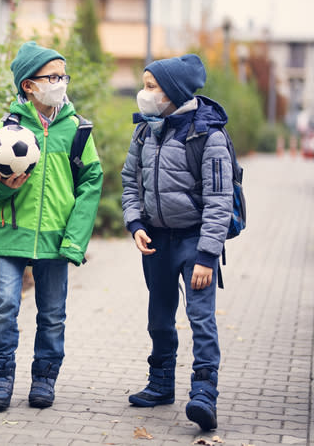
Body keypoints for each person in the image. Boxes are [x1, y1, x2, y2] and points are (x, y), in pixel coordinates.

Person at [0, 41, 103, 412]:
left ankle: (45, 377)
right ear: (29, 85)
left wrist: (75, 240)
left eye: (64, 75)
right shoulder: (6, 128)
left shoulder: (77, 130)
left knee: (52, 313)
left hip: (56, 240)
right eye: (53, 76)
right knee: (4, 305)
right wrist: (0, 186)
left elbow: (91, 183)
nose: (61, 82)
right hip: (10, 233)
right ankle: (1, 376)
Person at [120, 54, 231, 431]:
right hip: (156, 239)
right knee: (159, 315)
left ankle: (204, 393)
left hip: (195, 241)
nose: (144, 93)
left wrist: (206, 255)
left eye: (152, 86)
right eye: (145, 84)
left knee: (200, 317)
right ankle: (161, 383)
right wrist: (134, 222)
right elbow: (129, 181)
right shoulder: (145, 130)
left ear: (174, 91)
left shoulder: (207, 135)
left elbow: (220, 200)